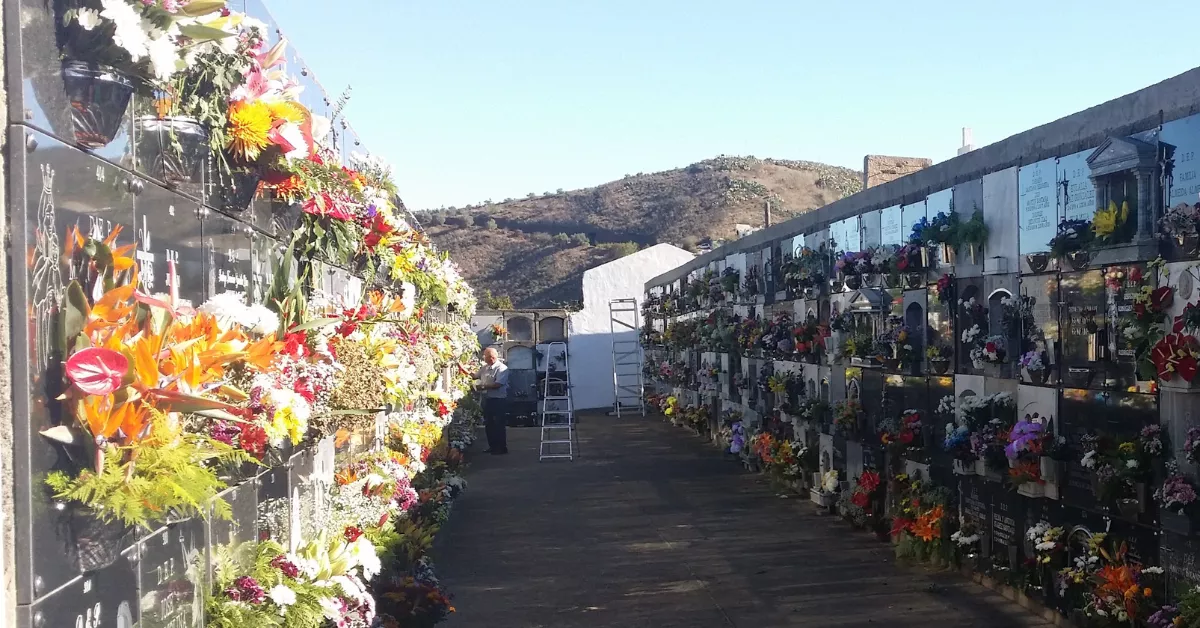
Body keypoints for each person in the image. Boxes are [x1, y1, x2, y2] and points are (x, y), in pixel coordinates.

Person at [469, 347, 510, 454]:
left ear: (491, 357)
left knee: (498, 424)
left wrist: (482, 387)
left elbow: (497, 384)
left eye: (485, 356)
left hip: (498, 400)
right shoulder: (485, 367)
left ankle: (501, 448)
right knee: (489, 424)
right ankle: (492, 446)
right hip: (488, 399)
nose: (484, 358)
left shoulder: (501, 368)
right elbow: (475, 376)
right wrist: (463, 369)